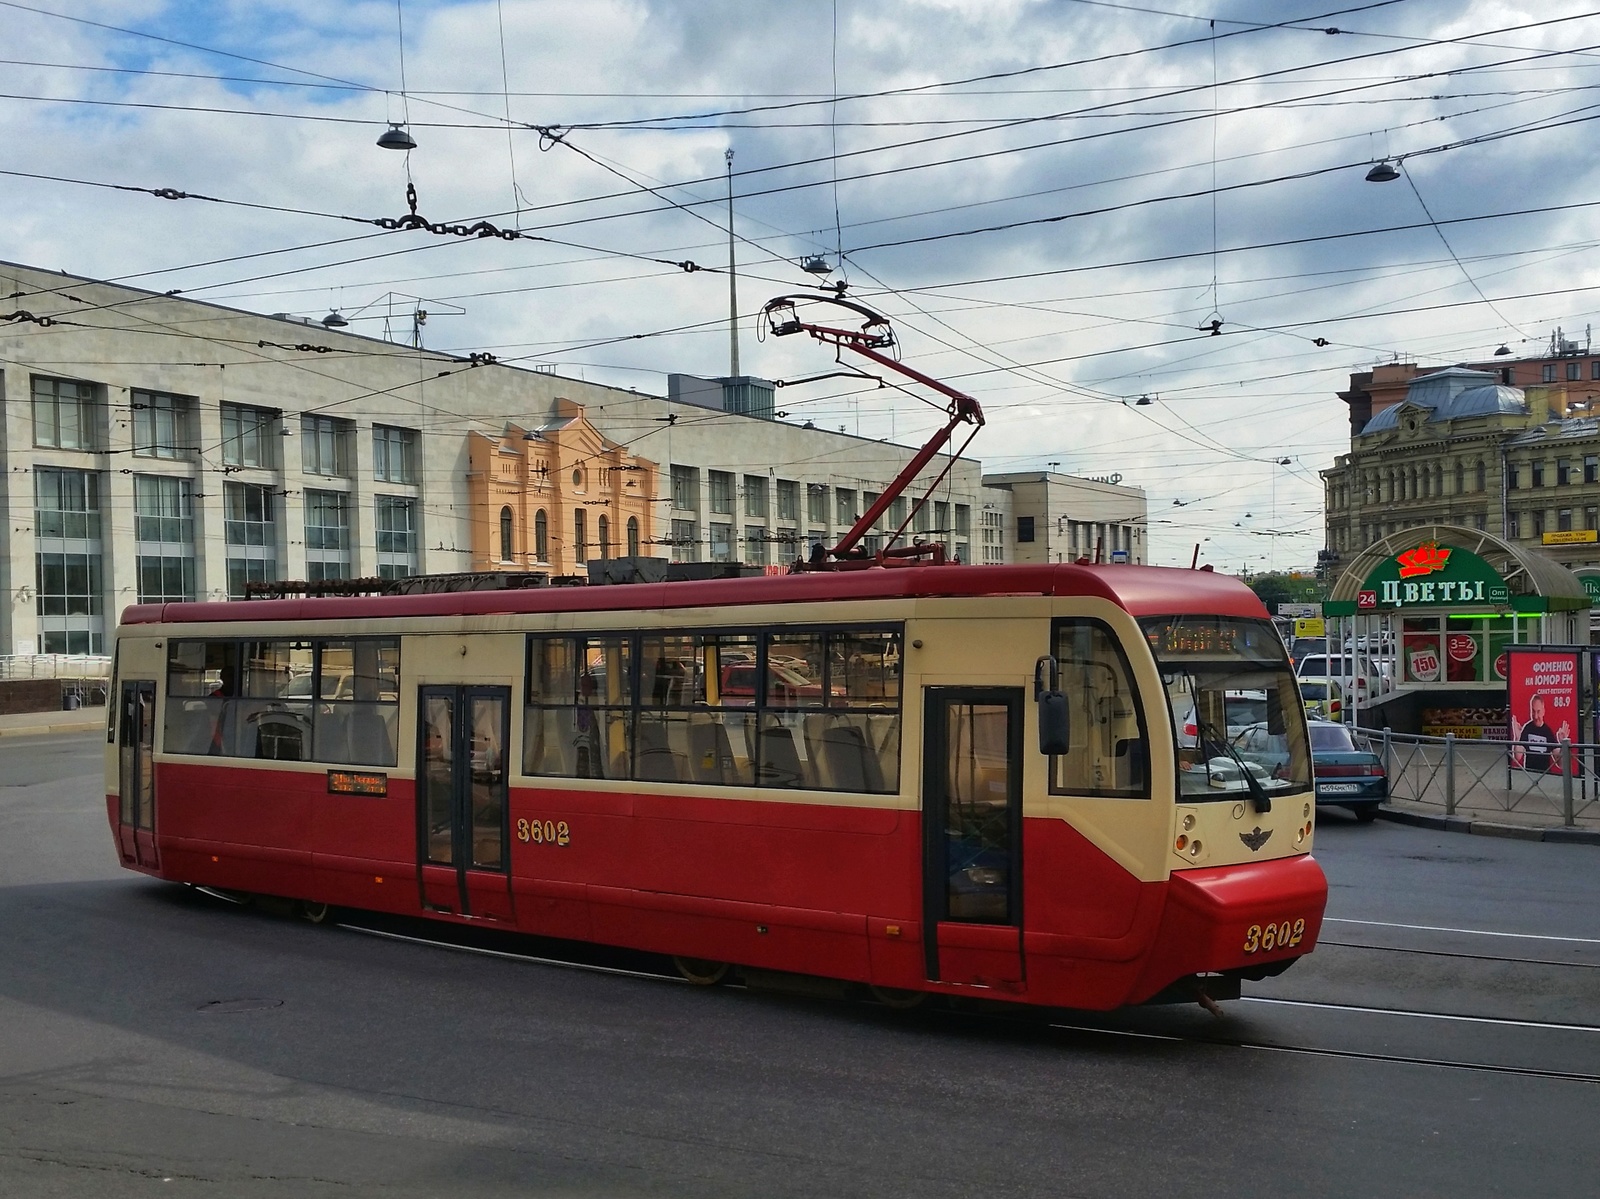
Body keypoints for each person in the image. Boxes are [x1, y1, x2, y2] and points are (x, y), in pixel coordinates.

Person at [1514, 692, 1565, 772]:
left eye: (1538, 711)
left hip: (1545, 776)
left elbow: (1561, 764)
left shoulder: (1547, 731)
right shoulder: (1527, 728)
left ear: (1543, 711)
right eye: (1533, 711)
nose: (1536, 716)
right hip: (1529, 775)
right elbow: (1517, 756)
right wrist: (1517, 738)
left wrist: (1563, 745)